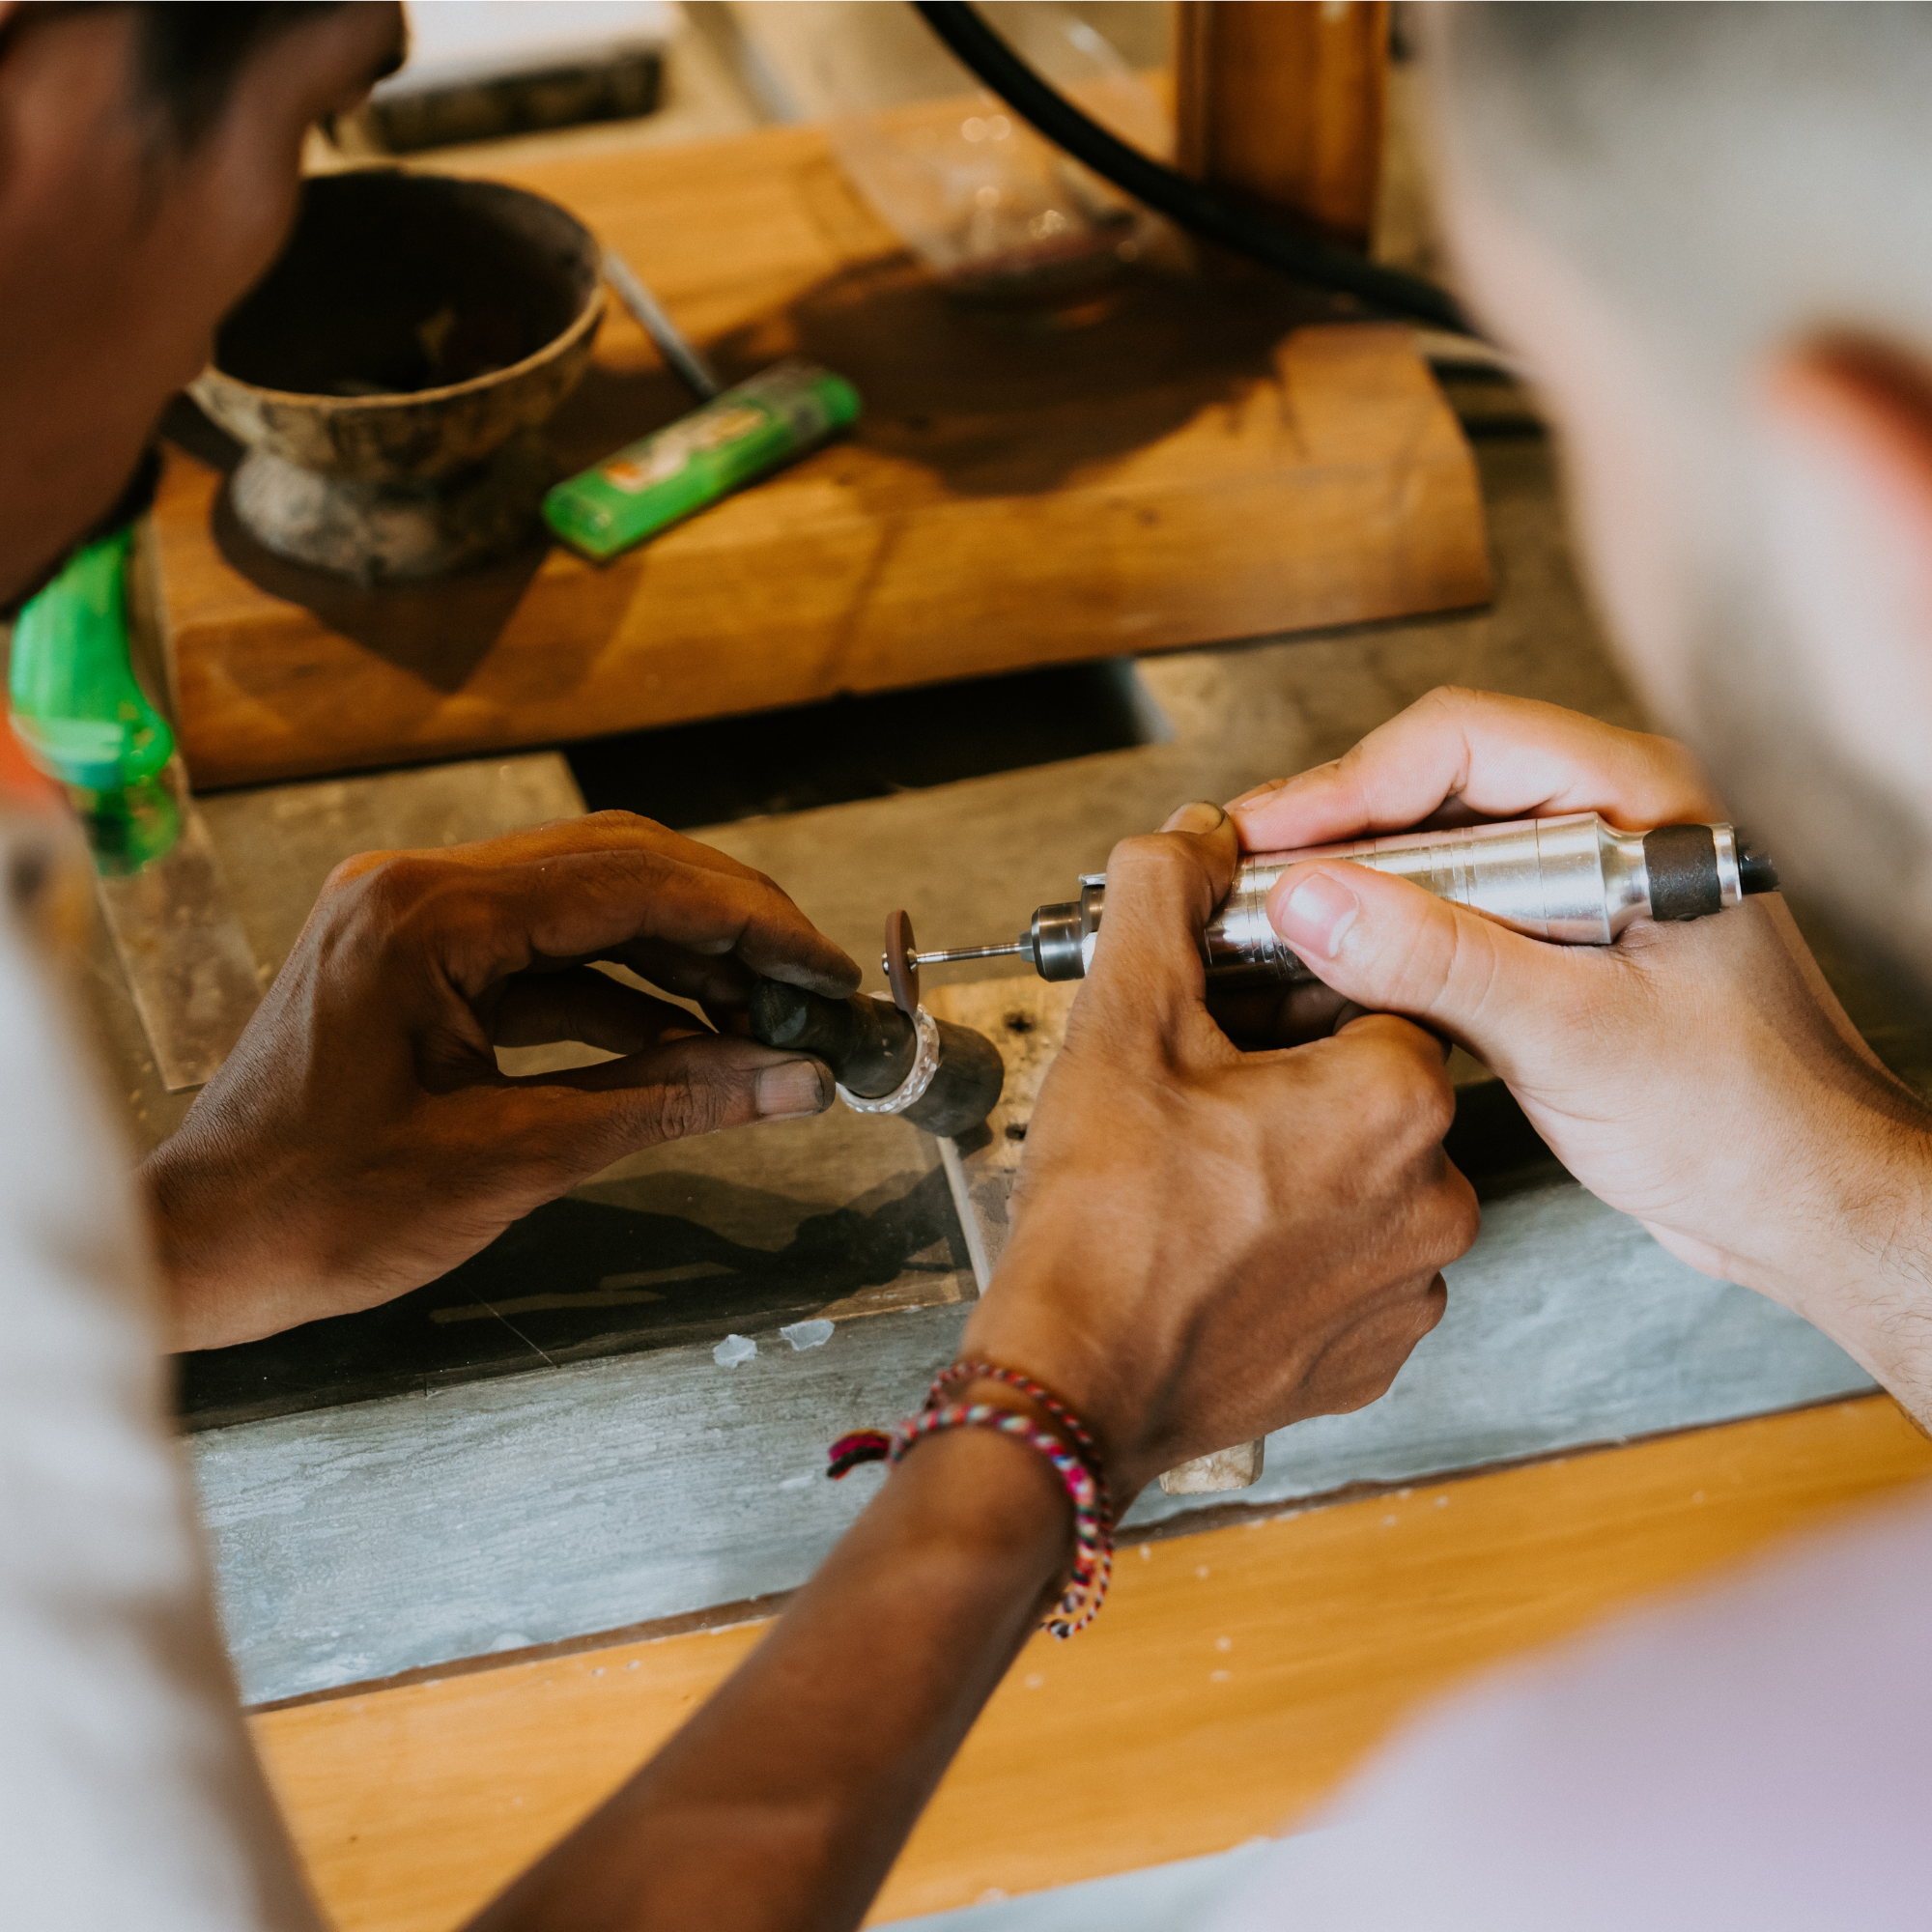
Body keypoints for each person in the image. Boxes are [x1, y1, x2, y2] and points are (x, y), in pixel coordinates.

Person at [4, 2, 1926, 1928]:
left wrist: (170, 1247)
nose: (267, 272)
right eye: (314, 117)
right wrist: (1065, 1407)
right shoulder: (1584, 1832)